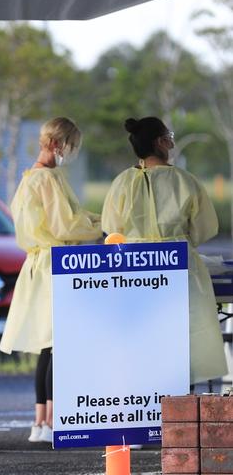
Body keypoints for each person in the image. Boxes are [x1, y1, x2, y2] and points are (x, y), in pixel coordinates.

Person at [102, 117, 227, 385]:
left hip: (133, 268)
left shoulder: (122, 182)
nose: (171, 141)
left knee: (140, 336)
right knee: (181, 336)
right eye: (168, 136)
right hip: (179, 265)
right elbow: (205, 227)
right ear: (160, 142)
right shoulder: (185, 180)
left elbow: (111, 229)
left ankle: (144, 401)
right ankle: (179, 405)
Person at [0, 117, 102, 443]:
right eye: (71, 147)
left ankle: (41, 423)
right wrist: (105, 224)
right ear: (58, 144)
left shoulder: (28, 177)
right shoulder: (49, 179)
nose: (70, 154)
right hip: (56, 265)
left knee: (49, 345)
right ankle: (55, 421)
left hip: (36, 265)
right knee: (62, 344)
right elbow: (67, 224)